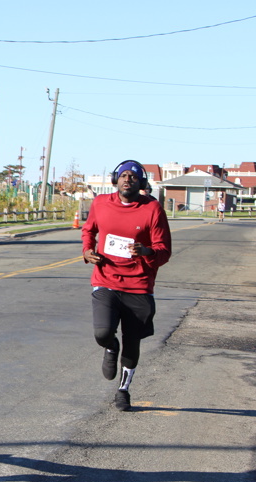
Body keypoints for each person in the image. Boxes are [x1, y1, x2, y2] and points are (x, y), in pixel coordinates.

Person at [82, 159, 172, 412]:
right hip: (106, 280)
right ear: (115, 180)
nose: (127, 179)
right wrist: (87, 251)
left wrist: (146, 251)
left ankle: (123, 390)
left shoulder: (152, 209)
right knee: (102, 332)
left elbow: (164, 251)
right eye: (123, 175)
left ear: (141, 182)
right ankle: (111, 346)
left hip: (139, 285)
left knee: (132, 343)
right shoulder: (101, 203)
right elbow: (88, 230)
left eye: (133, 176)